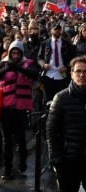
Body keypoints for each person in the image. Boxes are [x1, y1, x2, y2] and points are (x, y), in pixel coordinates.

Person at [0, 40, 39, 179]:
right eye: (13, 53)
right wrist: (6, 69)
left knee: (20, 138)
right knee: (7, 140)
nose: (15, 56)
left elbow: (35, 75)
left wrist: (19, 69)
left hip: (21, 109)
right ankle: (7, 168)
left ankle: (22, 162)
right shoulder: (3, 63)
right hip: (5, 108)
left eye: (18, 53)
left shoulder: (28, 64)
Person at [46, 55, 86, 192]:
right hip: (68, 160)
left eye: (85, 72)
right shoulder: (61, 98)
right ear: (71, 74)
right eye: (78, 71)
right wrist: (56, 158)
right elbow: (50, 130)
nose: (82, 75)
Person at [38, 23, 76, 103]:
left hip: (62, 75)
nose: (57, 31)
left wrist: (66, 67)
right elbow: (39, 58)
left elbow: (73, 58)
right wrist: (43, 64)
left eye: (59, 29)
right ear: (51, 30)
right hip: (48, 74)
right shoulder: (45, 43)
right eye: (55, 29)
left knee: (61, 98)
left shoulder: (67, 43)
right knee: (48, 99)